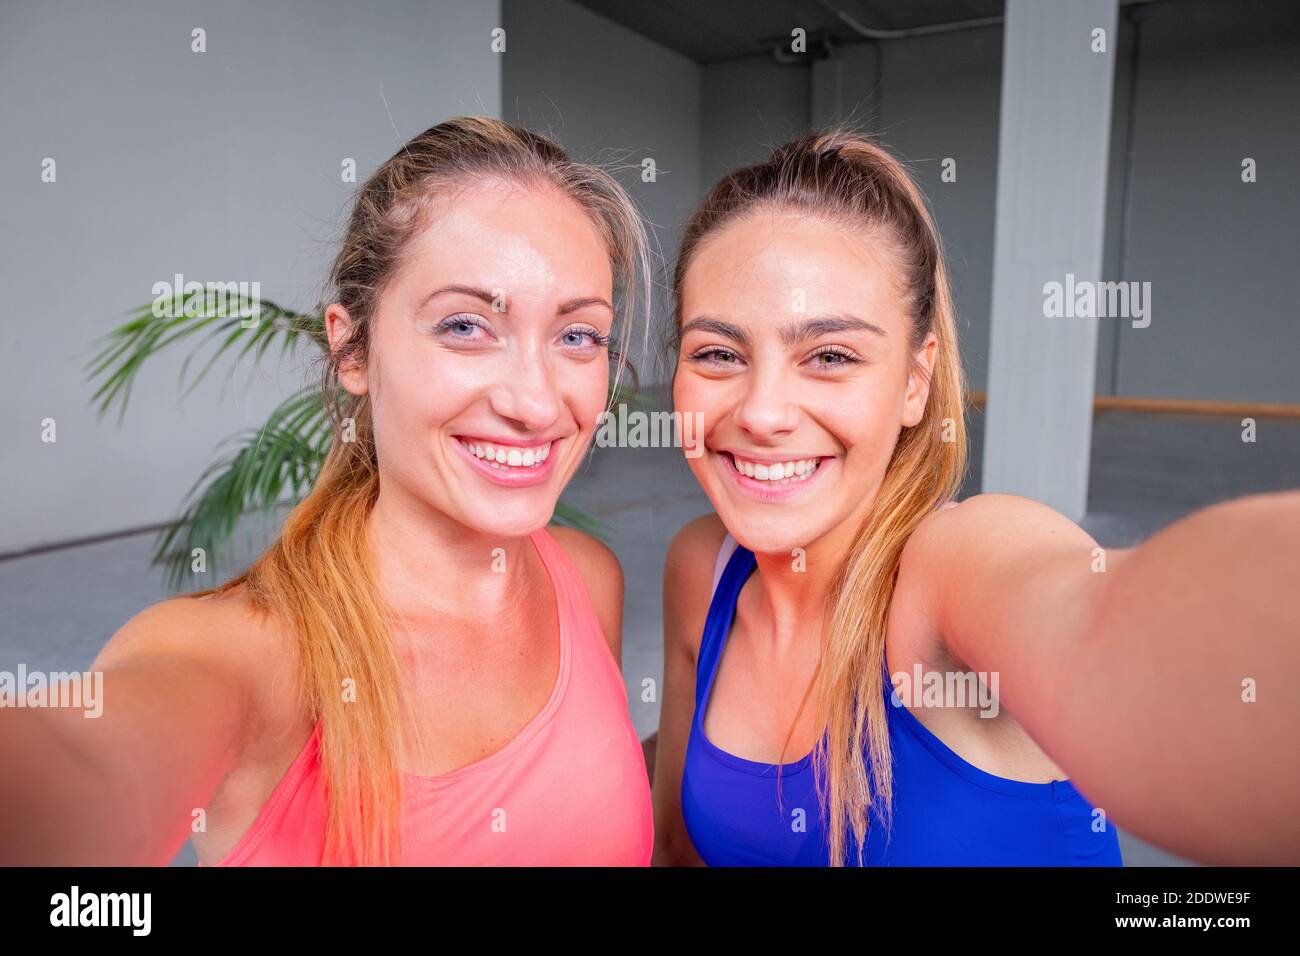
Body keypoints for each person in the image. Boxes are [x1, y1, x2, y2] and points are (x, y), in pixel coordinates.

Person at [0, 117, 655, 866]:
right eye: (467, 326)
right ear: (351, 348)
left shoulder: (588, 578)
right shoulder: (248, 658)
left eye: (577, 337)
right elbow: (80, 766)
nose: (537, 403)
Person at [651, 129, 1300, 866]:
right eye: (718, 353)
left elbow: (1106, 622)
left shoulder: (953, 571)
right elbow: (677, 846)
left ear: (914, 382)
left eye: (830, 356)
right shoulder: (701, 569)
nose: (763, 412)